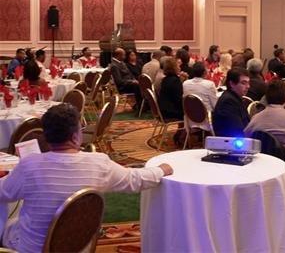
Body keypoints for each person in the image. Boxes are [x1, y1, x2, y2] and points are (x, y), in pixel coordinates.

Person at [0, 103, 173, 253]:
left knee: (10, 222)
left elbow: (3, 194)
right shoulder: (99, 163)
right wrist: (161, 170)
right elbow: (134, 179)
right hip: (80, 245)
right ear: (76, 136)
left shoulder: (29, 165)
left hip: (33, 249)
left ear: (46, 136)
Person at [212, 68, 250, 137]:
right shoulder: (228, 102)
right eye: (243, 83)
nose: (248, 86)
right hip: (230, 144)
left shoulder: (235, 98)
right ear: (232, 84)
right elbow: (237, 130)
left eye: (248, 83)